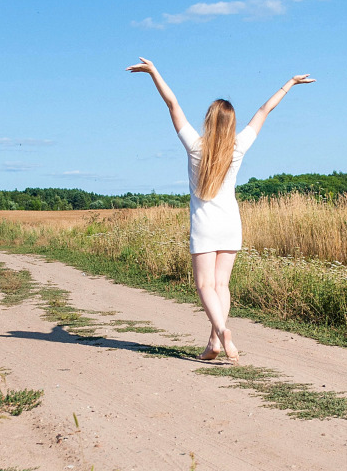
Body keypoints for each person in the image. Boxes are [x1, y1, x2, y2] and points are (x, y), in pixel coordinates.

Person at [128, 57, 315, 362]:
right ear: (231, 124)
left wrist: (153, 72)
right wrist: (290, 84)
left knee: (204, 285)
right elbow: (263, 111)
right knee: (222, 285)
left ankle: (223, 332)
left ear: (208, 120)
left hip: (204, 224)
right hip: (230, 223)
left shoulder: (195, 146)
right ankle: (214, 341)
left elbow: (172, 104)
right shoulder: (238, 147)